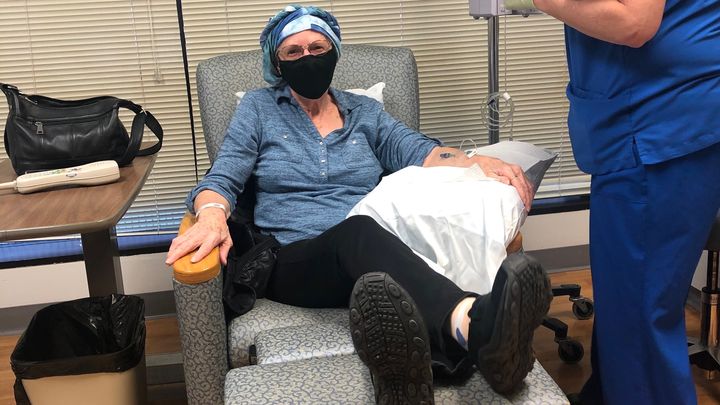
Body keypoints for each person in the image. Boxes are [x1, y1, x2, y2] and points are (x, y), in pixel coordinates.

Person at [165, 5, 551, 403]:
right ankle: (474, 327)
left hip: (373, 257)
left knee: (387, 230)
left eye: (317, 47)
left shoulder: (365, 112)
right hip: (295, 261)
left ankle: (434, 364)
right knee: (358, 231)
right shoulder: (259, 109)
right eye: (293, 52)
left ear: (334, 52)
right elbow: (224, 175)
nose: (307, 58)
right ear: (277, 64)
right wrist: (211, 214)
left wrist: (475, 161)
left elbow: (419, 151)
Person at [504, 0, 720, 403]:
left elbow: (634, 22)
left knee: (640, 317)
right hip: (658, 114)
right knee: (627, 302)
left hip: (659, 121)